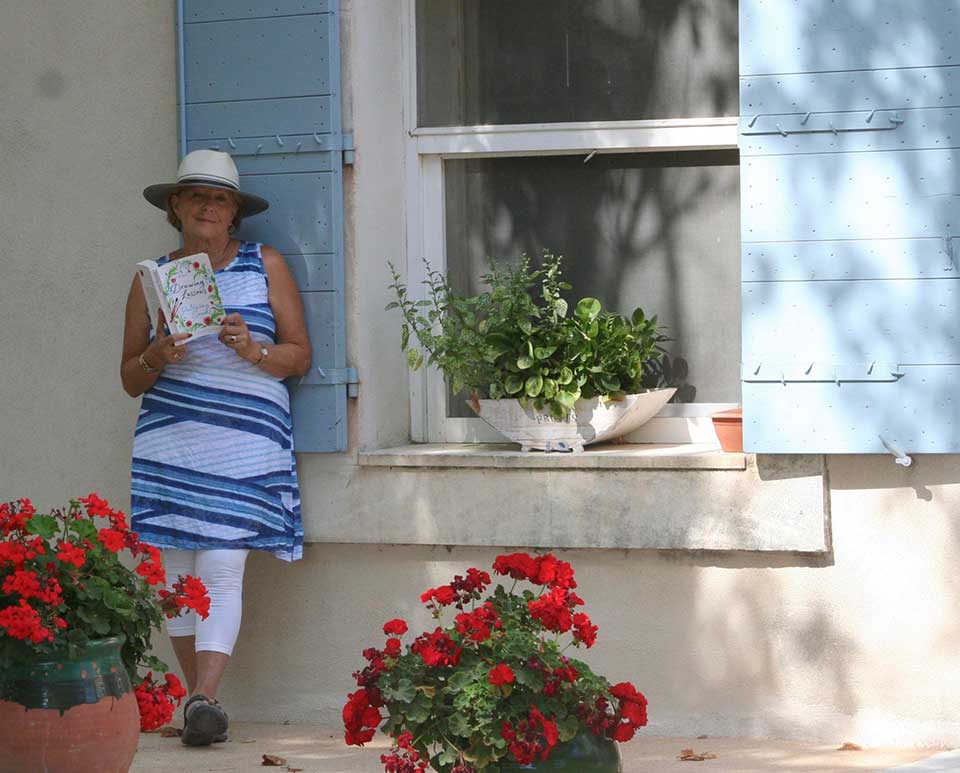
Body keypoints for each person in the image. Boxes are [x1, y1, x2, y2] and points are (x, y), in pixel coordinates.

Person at [120, 149, 311, 745]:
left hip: (244, 446)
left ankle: (203, 696)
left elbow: (300, 356)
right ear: (175, 206)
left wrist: (252, 348)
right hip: (172, 444)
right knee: (177, 574)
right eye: (195, 195)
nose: (208, 205)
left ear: (234, 214)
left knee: (223, 567)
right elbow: (129, 377)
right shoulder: (151, 276)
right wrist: (158, 354)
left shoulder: (265, 264)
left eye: (220, 197)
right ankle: (200, 704)